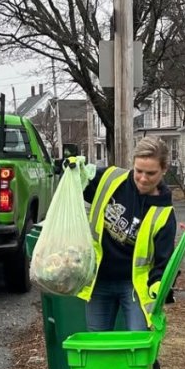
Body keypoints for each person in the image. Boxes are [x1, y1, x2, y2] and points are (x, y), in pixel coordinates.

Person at [77, 137, 177, 333]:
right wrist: (72, 170)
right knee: (98, 346)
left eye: (151, 173)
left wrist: (160, 286)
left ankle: (149, 365)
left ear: (164, 170)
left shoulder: (164, 214)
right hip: (99, 281)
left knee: (137, 344)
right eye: (138, 171)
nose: (142, 178)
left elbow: (163, 262)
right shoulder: (111, 179)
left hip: (133, 287)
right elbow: (83, 185)